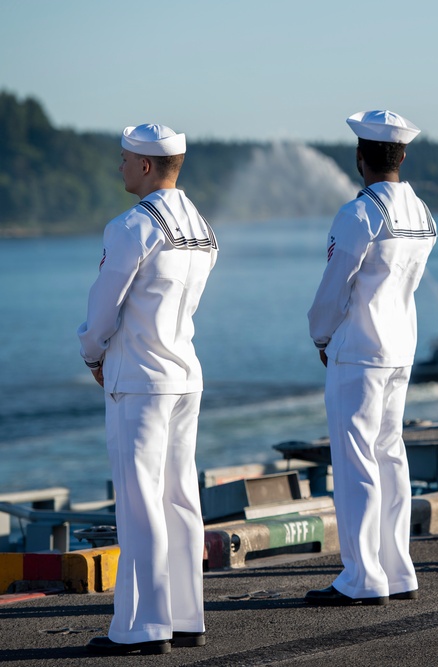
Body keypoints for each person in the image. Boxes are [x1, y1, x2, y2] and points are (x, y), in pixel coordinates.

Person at [78, 124, 218, 655]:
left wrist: (92, 353)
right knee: (180, 499)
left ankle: (143, 627)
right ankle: (186, 617)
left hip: (139, 380)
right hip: (185, 373)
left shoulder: (131, 227)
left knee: (140, 505)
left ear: (143, 166)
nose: (118, 168)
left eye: (123, 159)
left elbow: (102, 310)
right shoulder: (203, 228)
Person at [306, 110, 436, 604]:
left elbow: (333, 289)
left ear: (360, 157)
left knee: (357, 460)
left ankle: (362, 577)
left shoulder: (358, 214)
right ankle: (397, 569)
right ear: (401, 155)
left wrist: (321, 337)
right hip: (401, 347)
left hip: (360, 350)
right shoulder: (423, 214)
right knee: (390, 457)